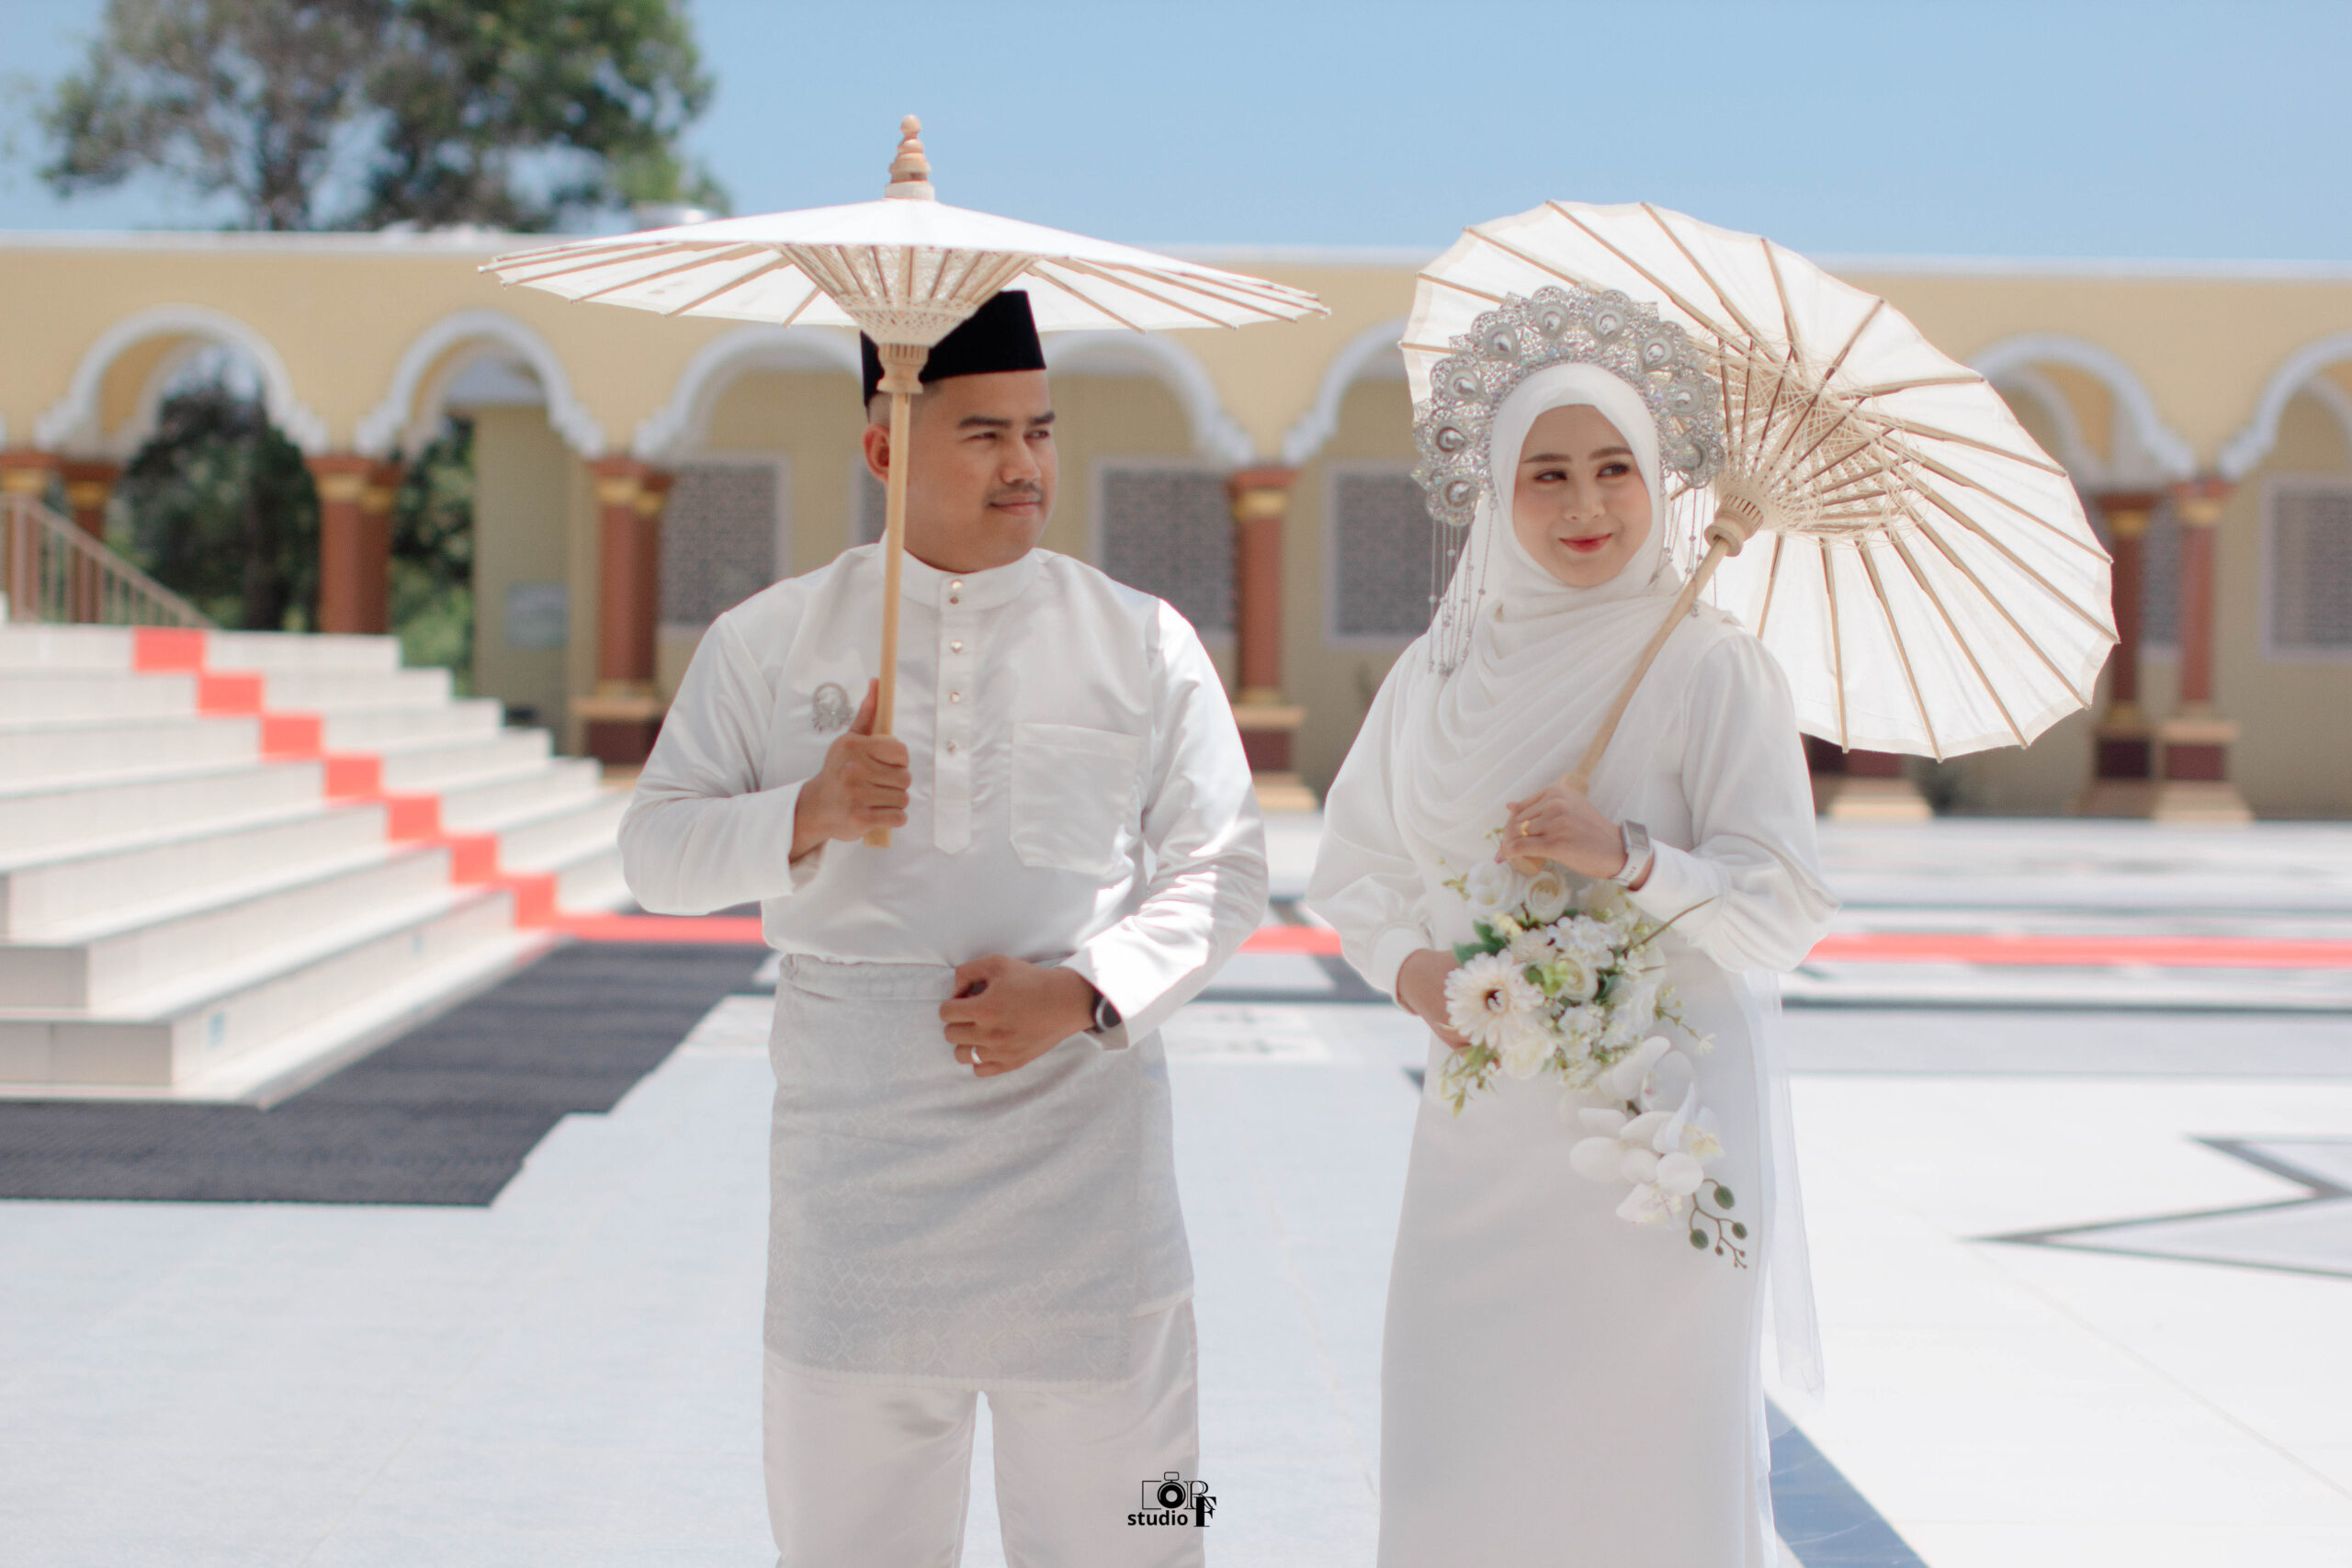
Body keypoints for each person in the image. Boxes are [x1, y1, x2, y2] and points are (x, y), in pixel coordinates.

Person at [618, 289, 1265, 1568]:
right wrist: (807, 811)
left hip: (1085, 1162)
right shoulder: (769, 637)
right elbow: (655, 855)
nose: (1025, 464)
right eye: (983, 434)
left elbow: (1225, 867)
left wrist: (1083, 992)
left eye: (1041, 430)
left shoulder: (1145, 639)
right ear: (884, 448)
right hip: (856, 1179)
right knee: (844, 1544)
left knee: (1146, 1528)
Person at [1306, 290, 1838, 1567]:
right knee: (1460, 1459)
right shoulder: (1439, 673)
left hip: (1659, 1141)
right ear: (1495, 491)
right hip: (1482, 1133)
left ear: (1661, 482)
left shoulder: (1712, 667)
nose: (1586, 504)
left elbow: (1785, 910)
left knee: (1642, 1466)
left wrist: (1630, 858)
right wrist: (1414, 971)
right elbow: (1357, 866)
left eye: (1616, 468)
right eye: (1546, 472)